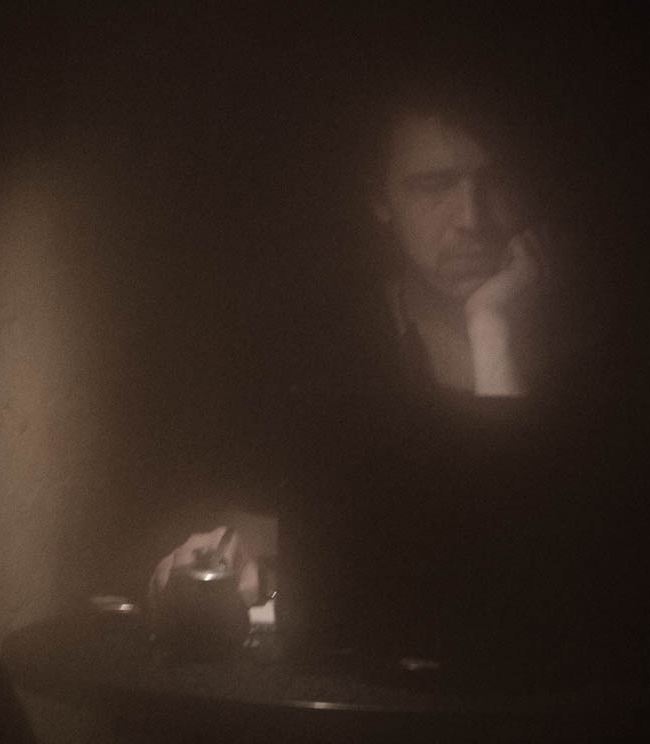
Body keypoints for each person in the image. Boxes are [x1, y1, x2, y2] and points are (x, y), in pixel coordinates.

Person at [148, 65, 601, 639]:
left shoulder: (588, 348)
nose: (471, 218)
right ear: (380, 200)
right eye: (433, 186)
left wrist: (492, 329)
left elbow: (539, 564)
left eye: (497, 180)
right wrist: (220, 562)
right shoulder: (328, 348)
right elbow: (260, 539)